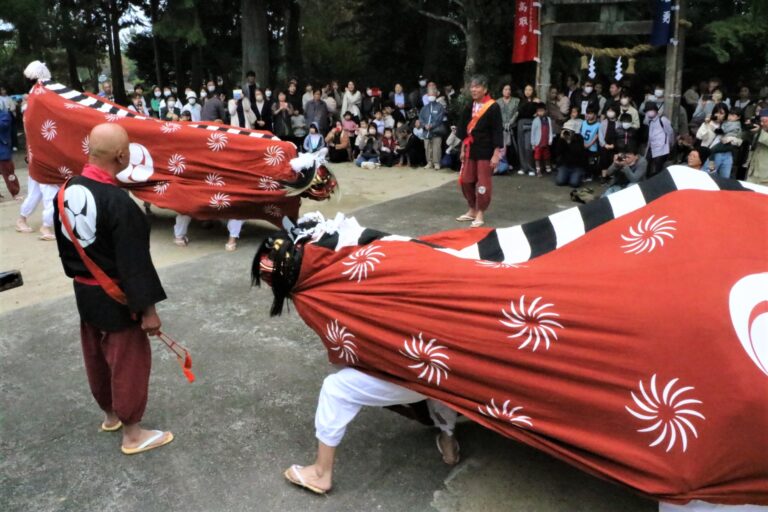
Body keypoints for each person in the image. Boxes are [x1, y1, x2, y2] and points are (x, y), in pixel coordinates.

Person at [53, 123, 172, 455]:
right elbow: (135, 264)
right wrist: (148, 311)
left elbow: (66, 249)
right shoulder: (118, 202)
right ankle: (133, 433)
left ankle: (110, 415)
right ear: (122, 155)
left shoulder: (65, 191)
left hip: (85, 290)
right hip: (116, 296)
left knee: (96, 356)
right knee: (126, 360)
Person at [284, 367, 459, 494]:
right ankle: (448, 440)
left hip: (411, 375)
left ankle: (320, 472)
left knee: (335, 388)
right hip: (453, 375)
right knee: (439, 370)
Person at [455, 74, 503, 228]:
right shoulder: (469, 106)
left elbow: (497, 131)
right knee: (466, 180)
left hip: (485, 150)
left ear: (485, 89)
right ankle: (472, 209)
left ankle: (481, 212)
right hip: (470, 149)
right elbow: (463, 130)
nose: (474, 89)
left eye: (477, 86)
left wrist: (496, 153)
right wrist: (462, 149)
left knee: (483, 183)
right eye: (472, 87)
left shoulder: (493, 107)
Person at [554, 119, 587, 188]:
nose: (567, 132)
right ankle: (566, 175)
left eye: (569, 130)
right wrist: (561, 140)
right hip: (565, 165)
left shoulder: (579, 138)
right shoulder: (561, 139)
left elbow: (578, 153)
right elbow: (557, 152)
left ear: (573, 132)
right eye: (565, 129)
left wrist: (569, 142)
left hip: (577, 166)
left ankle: (578, 175)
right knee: (560, 182)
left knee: (574, 184)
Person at [644, 101, 674, 177]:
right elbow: (650, 137)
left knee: (658, 169)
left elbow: (670, 132)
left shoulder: (663, 120)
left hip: (662, 149)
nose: (649, 112)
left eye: (651, 110)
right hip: (652, 148)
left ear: (656, 110)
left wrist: (670, 145)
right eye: (647, 111)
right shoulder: (650, 122)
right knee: (648, 168)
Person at [419, 87, 446, 170]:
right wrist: (424, 125)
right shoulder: (424, 108)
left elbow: (440, 118)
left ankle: (436, 163)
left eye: (433, 94)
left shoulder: (440, 107)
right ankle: (429, 162)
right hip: (426, 131)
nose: (431, 95)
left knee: (436, 147)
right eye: (430, 94)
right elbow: (421, 118)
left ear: (436, 94)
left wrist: (432, 125)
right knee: (427, 147)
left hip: (436, 131)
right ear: (427, 95)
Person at [515, 84, 537, 176]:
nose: (528, 91)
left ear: (533, 91)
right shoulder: (520, 101)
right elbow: (520, 111)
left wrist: (533, 103)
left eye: (530, 89)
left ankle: (531, 167)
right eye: (526, 89)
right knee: (521, 145)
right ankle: (523, 167)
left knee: (528, 146)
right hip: (521, 122)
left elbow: (535, 112)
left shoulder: (536, 101)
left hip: (531, 122)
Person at [497, 84, 520, 168]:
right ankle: (503, 163)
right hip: (501, 127)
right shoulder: (498, 102)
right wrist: (503, 124)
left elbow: (516, 113)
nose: (507, 91)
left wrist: (510, 122)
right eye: (505, 89)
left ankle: (513, 164)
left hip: (513, 126)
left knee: (512, 146)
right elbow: (497, 114)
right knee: (503, 146)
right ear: (502, 91)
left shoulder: (516, 101)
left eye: (509, 89)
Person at [746, 107, 768, 185]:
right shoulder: (760, 131)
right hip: (752, 172)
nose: (762, 124)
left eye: (765, 121)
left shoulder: (761, 132)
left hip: (765, 177)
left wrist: (760, 131)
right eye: (761, 121)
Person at [530, 102, 553, 176]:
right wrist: (533, 143)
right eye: (539, 111)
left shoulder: (548, 119)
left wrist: (550, 139)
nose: (540, 112)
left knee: (547, 156)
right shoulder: (535, 120)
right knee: (537, 157)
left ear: (545, 111)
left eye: (542, 111)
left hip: (546, 142)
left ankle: (548, 168)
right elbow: (532, 133)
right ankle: (538, 170)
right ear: (537, 112)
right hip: (538, 143)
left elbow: (550, 130)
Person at [599, 106, 620, 180]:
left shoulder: (619, 123)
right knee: (604, 159)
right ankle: (604, 176)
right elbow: (600, 134)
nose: (610, 112)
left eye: (612, 110)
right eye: (609, 110)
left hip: (615, 146)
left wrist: (614, 145)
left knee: (613, 160)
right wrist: (605, 144)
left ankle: (612, 176)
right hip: (605, 145)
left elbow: (619, 136)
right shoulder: (603, 122)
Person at [580, 106, 601, 181]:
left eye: (590, 113)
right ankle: (584, 174)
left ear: (595, 114)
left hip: (592, 147)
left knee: (591, 162)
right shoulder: (583, 123)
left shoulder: (598, 125)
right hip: (583, 145)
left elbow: (597, 136)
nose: (588, 115)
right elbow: (580, 134)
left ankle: (590, 175)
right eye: (587, 113)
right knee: (583, 161)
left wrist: (589, 145)